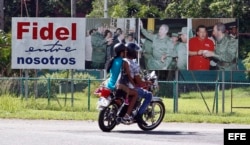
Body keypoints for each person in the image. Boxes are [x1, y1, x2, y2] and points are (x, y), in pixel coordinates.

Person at [105, 43, 138, 121]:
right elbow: (129, 75)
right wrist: (134, 84)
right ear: (122, 52)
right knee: (135, 94)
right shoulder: (124, 62)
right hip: (118, 86)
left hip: (109, 84)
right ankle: (127, 114)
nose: (126, 52)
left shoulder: (113, 60)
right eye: (125, 51)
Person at [125, 42, 153, 125]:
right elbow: (139, 81)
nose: (138, 53)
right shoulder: (133, 64)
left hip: (119, 85)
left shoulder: (121, 60)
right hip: (129, 87)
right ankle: (138, 115)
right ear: (133, 52)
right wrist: (147, 82)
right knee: (149, 95)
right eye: (136, 52)